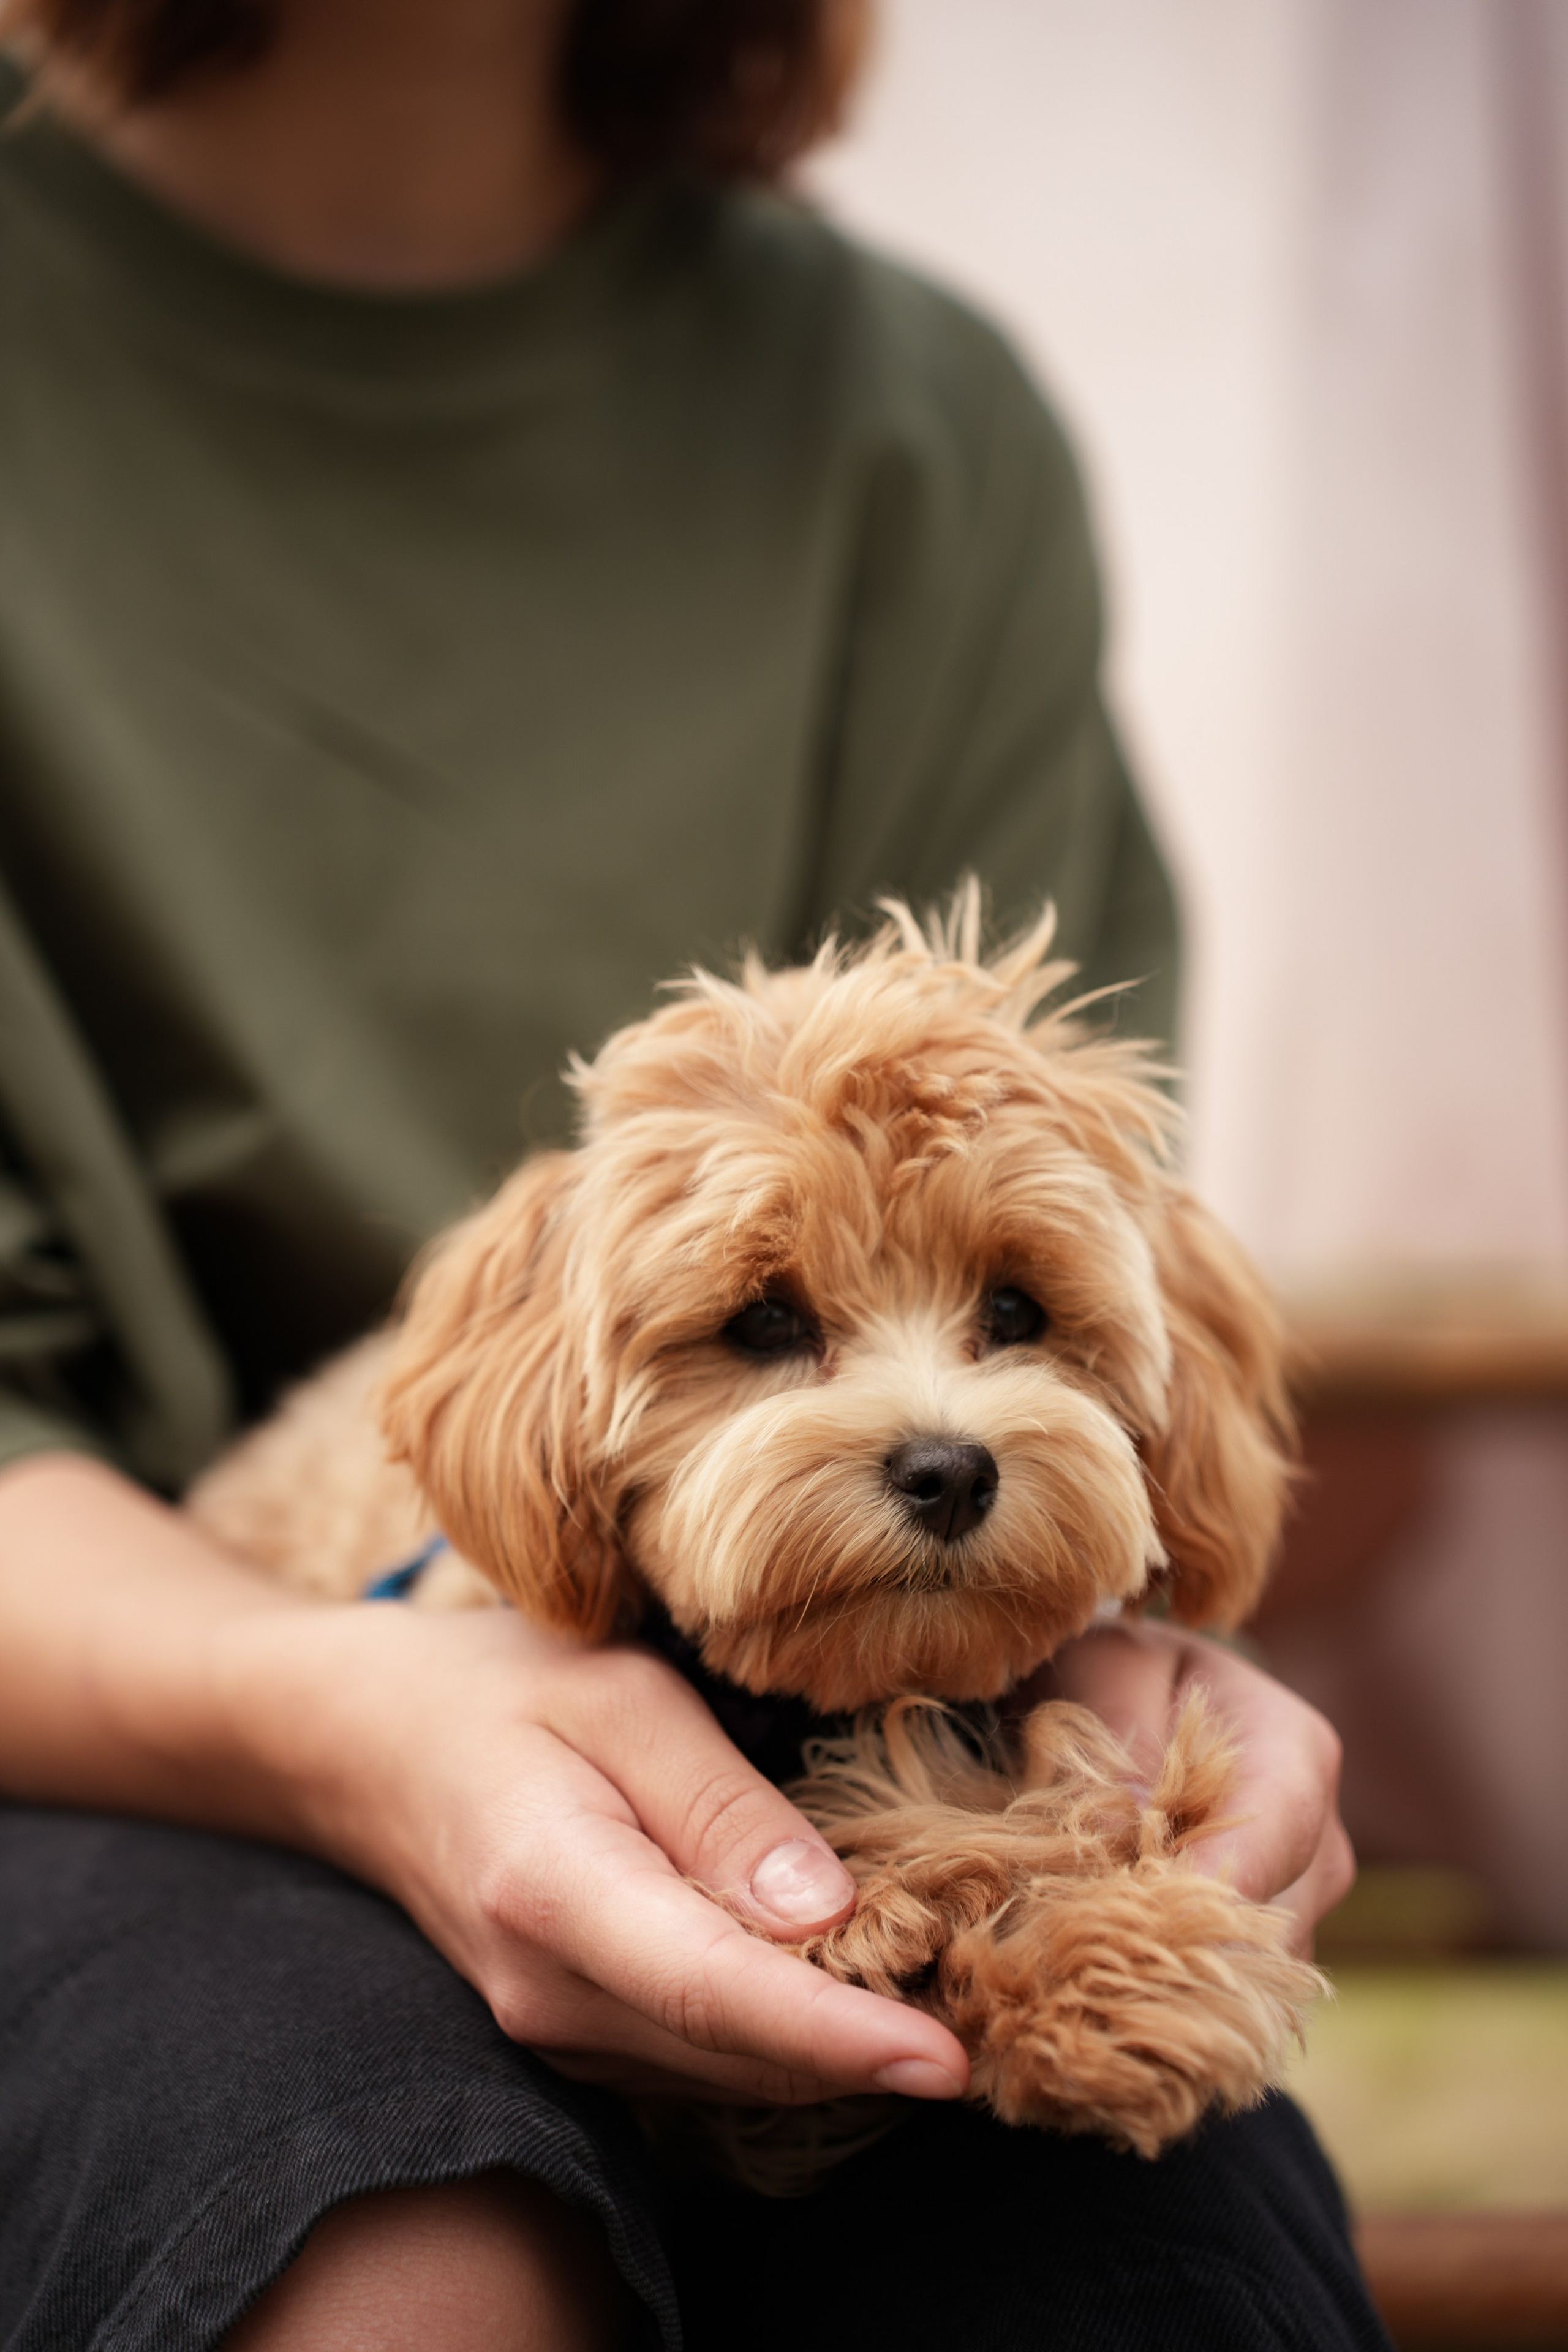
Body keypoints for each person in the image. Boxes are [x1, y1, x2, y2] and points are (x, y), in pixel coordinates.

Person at [0, 3, 1379, 2346]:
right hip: (97, 1719)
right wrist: (354, 1720)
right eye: (770, 1315)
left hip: (900, 1730)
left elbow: (1084, 1236)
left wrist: (1149, 1748)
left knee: (1114, 2260)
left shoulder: (912, 436)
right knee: (387, 2243)